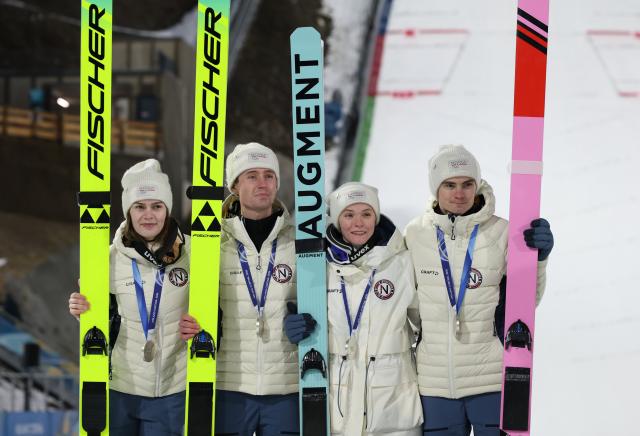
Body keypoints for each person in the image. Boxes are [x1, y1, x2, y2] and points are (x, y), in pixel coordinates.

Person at [404, 145, 554, 436]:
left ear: (477, 185)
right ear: (436, 187)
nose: (459, 193)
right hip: (435, 384)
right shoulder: (414, 234)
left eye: (467, 184)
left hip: (492, 380)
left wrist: (539, 259)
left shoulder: (502, 233)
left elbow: (525, 301)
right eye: (449, 185)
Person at [179, 142, 300, 435]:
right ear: (234, 184)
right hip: (228, 385)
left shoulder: (299, 242)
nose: (263, 183)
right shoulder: (209, 243)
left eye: (269, 175)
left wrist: (313, 323)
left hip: (286, 386)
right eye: (252, 176)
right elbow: (169, 291)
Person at [285, 182, 423, 435]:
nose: (358, 223)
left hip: (394, 407)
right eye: (349, 215)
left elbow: (425, 321)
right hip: (337, 407)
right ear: (337, 220)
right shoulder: (317, 266)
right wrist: (293, 324)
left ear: (376, 217)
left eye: (366, 214)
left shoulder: (402, 262)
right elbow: (295, 308)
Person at [68, 159, 190, 435]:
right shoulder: (108, 260)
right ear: (128, 212)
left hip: (172, 390)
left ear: (167, 210)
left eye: (157, 206)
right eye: (140, 206)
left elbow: (212, 307)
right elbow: (102, 316)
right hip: (121, 388)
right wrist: (82, 311)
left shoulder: (194, 254)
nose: (149, 215)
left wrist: (202, 324)